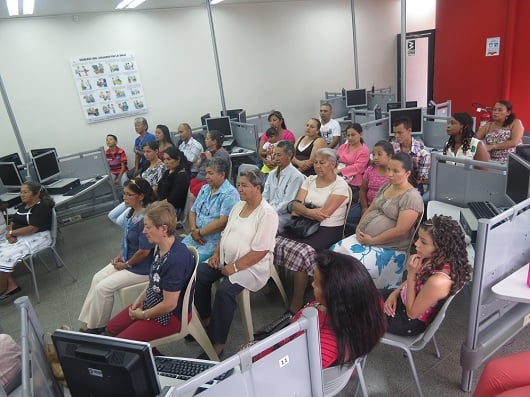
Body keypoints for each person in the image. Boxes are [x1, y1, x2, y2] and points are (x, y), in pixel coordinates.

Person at [194, 169, 278, 356]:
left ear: (257, 188)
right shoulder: (238, 206)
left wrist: (234, 267)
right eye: (238, 184)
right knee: (199, 274)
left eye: (244, 185)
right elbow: (225, 235)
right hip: (226, 260)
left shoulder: (267, 214)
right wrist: (216, 254)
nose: (239, 188)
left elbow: (260, 251)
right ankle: (207, 321)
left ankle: (217, 344)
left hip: (252, 267)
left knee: (225, 291)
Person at [258, 251, 386, 368]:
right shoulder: (368, 303)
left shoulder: (324, 346)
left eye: (317, 283)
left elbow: (290, 369)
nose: (312, 284)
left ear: (334, 296)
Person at [332, 152, 423, 289]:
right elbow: (370, 208)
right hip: (365, 239)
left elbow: (401, 231)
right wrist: (359, 227)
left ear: (407, 173)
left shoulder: (411, 197)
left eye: (395, 171)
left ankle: (355, 299)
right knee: (334, 254)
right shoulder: (387, 186)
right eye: (389, 169)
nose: (390, 174)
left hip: (389, 247)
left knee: (351, 270)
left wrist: (373, 240)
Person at [275, 148, 350, 315]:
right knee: (272, 239)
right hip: (303, 224)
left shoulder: (340, 185)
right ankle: (273, 282)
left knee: (303, 252)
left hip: (328, 229)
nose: (317, 166)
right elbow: (294, 207)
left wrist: (304, 209)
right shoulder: (309, 180)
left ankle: (297, 301)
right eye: (315, 162)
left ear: (332, 164)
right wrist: (310, 212)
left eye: (322, 162)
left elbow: (325, 214)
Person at [106, 202, 195, 342]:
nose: (143, 231)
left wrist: (142, 315)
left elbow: (169, 305)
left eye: (147, 227)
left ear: (163, 229)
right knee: (111, 328)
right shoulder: (160, 247)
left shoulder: (175, 259)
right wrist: (139, 300)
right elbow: (154, 280)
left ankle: (146, 356)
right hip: (155, 302)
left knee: (122, 344)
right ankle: (150, 354)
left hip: (171, 316)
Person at [79, 178, 156, 334]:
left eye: (129, 195)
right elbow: (128, 241)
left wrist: (126, 264)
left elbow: (144, 251)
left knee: (103, 288)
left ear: (141, 196)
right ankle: (88, 323)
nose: (124, 198)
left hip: (141, 268)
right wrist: (120, 256)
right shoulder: (130, 213)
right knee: (96, 278)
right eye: (124, 194)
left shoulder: (146, 218)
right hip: (129, 260)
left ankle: (97, 328)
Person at [382, 215, 471, 336]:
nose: (416, 244)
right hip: (402, 299)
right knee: (357, 295)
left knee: (354, 311)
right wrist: (394, 293)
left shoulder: (438, 281)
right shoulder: (433, 258)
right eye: (419, 238)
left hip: (407, 320)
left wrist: (411, 274)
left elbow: (412, 313)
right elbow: (413, 282)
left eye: (423, 242)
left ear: (441, 248)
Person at [0, 181, 55, 300]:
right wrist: (10, 234)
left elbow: (32, 228)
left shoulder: (42, 206)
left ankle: (2, 289)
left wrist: (12, 233)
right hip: (21, 236)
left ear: (36, 194)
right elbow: (13, 221)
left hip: (38, 237)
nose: (22, 195)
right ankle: (10, 286)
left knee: (5, 256)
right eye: (21, 192)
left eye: (25, 192)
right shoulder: (24, 205)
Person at [181, 157, 239, 263]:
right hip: (195, 235)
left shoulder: (230, 194)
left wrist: (200, 233)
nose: (207, 177)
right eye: (206, 173)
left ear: (222, 174)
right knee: (175, 255)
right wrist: (194, 230)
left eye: (210, 173)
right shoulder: (205, 189)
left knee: (189, 262)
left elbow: (223, 222)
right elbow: (193, 211)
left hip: (213, 241)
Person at [262, 140, 305, 233]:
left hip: (284, 215)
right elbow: (265, 196)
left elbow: (287, 203)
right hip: (268, 211)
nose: (275, 158)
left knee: (263, 227)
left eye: (279, 155)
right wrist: (261, 210)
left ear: (289, 156)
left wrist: (268, 213)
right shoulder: (272, 173)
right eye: (274, 154)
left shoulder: (296, 176)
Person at [391, 116, 431, 198]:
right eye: (394, 133)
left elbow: (419, 179)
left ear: (409, 130)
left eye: (400, 133)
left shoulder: (424, 153)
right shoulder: (392, 148)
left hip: (413, 185)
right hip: (394, 183)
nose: (396, 136)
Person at [475, 100, 524, 164]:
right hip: (491, 161)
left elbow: (514, 142)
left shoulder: (515, 123)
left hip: (511, 161)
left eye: (500, 110)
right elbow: (475, 139)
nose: (495, 112)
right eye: (494, 109)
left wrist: (492, 146)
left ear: (508, 112)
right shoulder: (488, 125)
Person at [189, 129, 231, 202]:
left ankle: (193, 212)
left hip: (210, 180)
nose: (205, 140)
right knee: (190, 186)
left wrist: (209, 159)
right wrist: (201, 159)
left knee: (192, 195)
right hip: (201, 177)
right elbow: (198, 166)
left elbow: (218, 171)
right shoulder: (208, 150)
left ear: (214, 141)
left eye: (207, 138)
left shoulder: (222, 154)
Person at [336, 123, 370, 203]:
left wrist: (341, 170)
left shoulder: (364, 150)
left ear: (360, 134)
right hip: (338, 177)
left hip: (355, 182)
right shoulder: (343, 147)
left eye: (353, 135)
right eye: (348, 135)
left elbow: (358, 167)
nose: (350, 138)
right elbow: (336, 159)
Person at [359, 140, 394, 214]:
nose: (375, 158)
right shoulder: (370, 169)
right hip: (368, 206)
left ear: (389, 156)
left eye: (379, 154)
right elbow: (362, 190)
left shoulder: (394, 173)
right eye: (374, 155)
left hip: (385, 210)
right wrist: (364, 208)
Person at [157, 147, 191, 215]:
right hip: (162, 204)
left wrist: (156, 205)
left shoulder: (182, 176)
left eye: (168, 159)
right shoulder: (168, 171)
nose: (165, 162)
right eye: (164, 159)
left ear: (178, 159)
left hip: (172, 209)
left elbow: (173, 199)